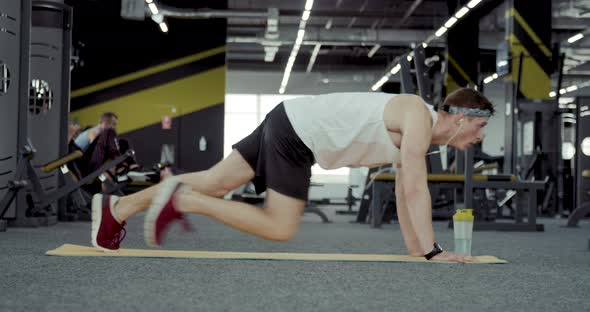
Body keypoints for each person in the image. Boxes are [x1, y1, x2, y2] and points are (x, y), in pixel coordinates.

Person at [90, 88, 494, 263]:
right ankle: (184, 201)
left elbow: (408, 196)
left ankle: (117, 209)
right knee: (281, 227)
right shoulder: (418, 115)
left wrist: (417, 249)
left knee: (215, 180)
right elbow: (415, 188)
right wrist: (434, 251)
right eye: (480, 128)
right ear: (460, 118)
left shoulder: (418, 133)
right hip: (298, 133)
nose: (479, 138)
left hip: (289, 118)